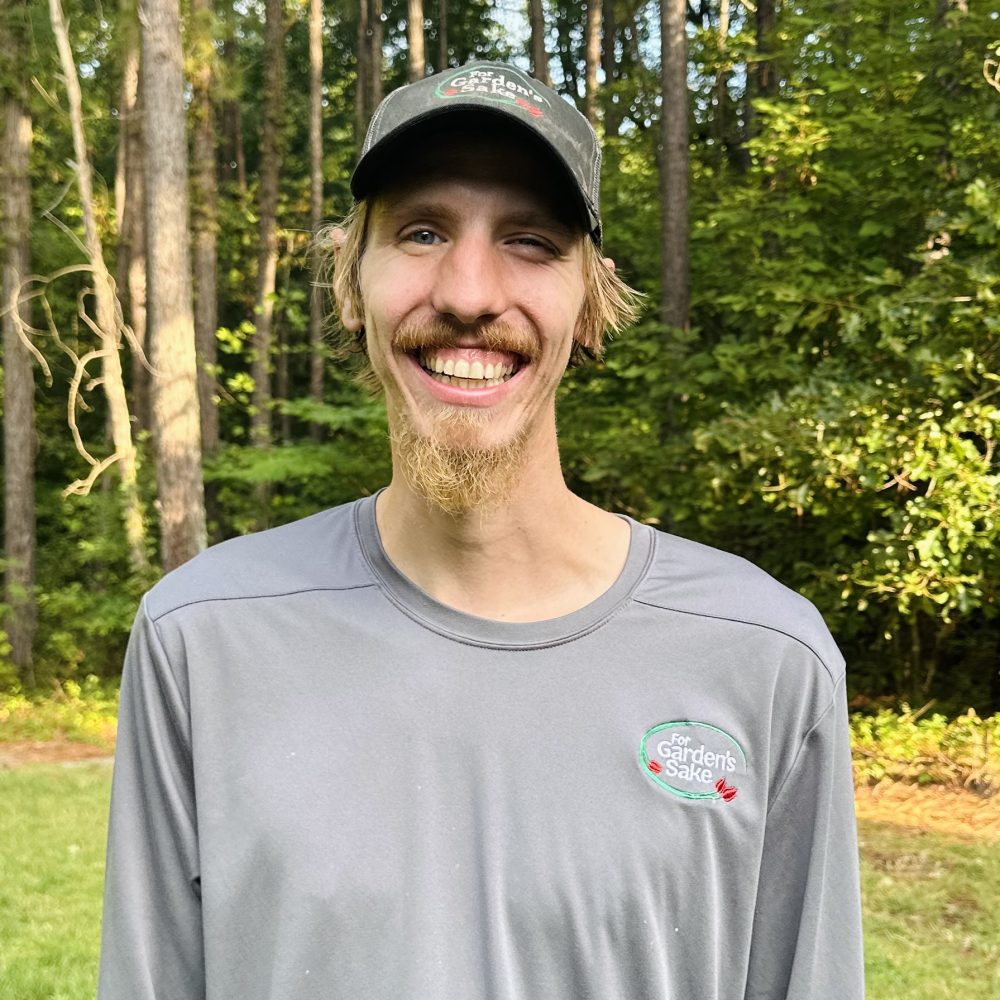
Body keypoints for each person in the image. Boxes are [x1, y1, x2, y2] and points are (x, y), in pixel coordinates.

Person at [99, 61, 864, 1000]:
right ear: (351, 286)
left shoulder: (766, 659)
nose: (468, 290)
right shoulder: (201, 640)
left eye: (531, 241)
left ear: (589, 306)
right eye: (421, 231)